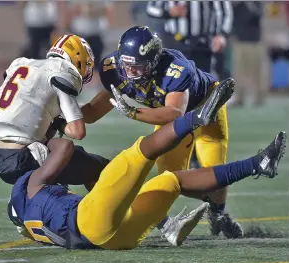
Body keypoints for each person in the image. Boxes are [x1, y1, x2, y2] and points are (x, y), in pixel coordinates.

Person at [8, 80, 286, 250]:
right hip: (89, 221)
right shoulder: (27, 185)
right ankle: (196, 118)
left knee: (172, 180)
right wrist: (47, 143)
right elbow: (66, 146)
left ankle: (258, 163)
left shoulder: (35, 220)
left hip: (113, 241)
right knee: (140, 152)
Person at [80, 26, 241, 238]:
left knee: (213, 174)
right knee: (169, 178)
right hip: (170, 117)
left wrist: (133, 113)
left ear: (154, 61)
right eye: (126, 65)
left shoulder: (175, 69)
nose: (130, 72)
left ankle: (219, 213)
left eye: (137, 67)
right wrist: (62, 115)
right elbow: (92, 113)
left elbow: (174, 113)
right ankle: (204, 209)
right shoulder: (115, 69)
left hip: (205, 106)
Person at [0, 34, 98, 186]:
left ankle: (36, 195)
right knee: (93, 165)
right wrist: (58, 122)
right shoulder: (61, 71)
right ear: (77, 58)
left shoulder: (22, 65)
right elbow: (77, 132)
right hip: (24, 158)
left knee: (60, 159)